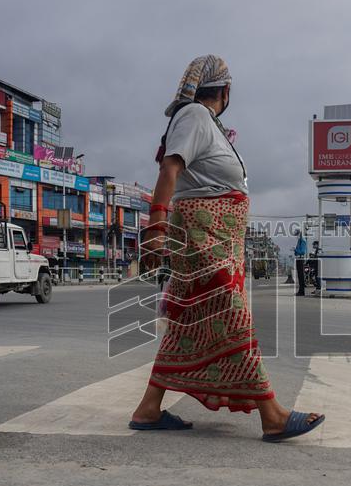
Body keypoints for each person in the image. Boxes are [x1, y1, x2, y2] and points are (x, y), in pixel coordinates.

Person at [129, 54, 324, 442]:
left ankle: (148, 409)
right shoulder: (194, 115)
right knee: (231, 314)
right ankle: (272, 415)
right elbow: (170, 168)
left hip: (217, 236)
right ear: (226, 90)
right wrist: (156, 226)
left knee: (188, 321)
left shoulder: (207, 122)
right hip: (203, 235)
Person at [294, 231, 307, 296]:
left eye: (297, 234)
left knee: (301, 276)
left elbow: (302, 252)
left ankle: (302, 291)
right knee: (299, 276)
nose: (296, 236)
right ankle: (300, 290)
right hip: (298, 258)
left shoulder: (302, 241)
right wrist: (295, 251)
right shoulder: (299, 241)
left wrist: (295, 250)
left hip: (300, 259)